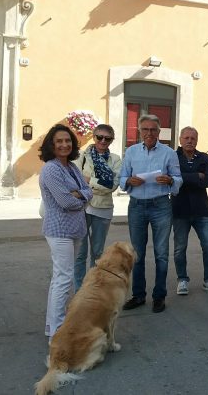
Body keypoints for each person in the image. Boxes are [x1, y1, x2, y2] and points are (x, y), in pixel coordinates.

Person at [120, 114, 182, 313]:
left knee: (161, 254)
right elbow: (121, 177)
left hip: (161, 205)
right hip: (137, 205)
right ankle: (138, 295)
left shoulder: (169, 153)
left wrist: (170, 181)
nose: (149, 133)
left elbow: (178, 178)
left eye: (153, 129)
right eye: (145, 129)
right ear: (139, 131)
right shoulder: (130, 152)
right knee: (137, 254)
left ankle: (159, 296)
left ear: (159, 131)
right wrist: (129, 181)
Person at [38, 124, 93, 343]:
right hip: (59, 229)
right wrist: (81, 195)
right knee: (62, 279)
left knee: (61, 278)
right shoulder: (51, 168)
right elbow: (65, 201)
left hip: (75, 228)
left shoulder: (71, 166)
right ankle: (56, 332)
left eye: (68, 141)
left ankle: (54, 325)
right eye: (59, 141)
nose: (64, 144)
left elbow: (89, 192)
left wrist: (80, 193)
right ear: (52, 145)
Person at [171, 127, 208, 294]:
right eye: (186, 138)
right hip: (180, 210)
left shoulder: (204, 157)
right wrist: (196, 176)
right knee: (180, 248)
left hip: (201, 210)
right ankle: (182, 280)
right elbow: (172, 179)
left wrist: (184, 177)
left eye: (193, 138)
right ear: (180, 139)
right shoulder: (173, 157)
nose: (189, 141)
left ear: (197, 140)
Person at [73, 124, 122, 290]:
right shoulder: (82, 155)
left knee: (98, 253)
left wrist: (90, 181)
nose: (102, 141)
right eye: (99, 137)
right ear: (93, 137)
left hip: (103, 209)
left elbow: (112, 186)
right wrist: (96, 184)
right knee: (80, 253)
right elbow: (76, 180)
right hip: (82, 208)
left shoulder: (115, 159)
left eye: (107, 138)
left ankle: (93, 287)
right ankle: (79, 289)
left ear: (111, 140)